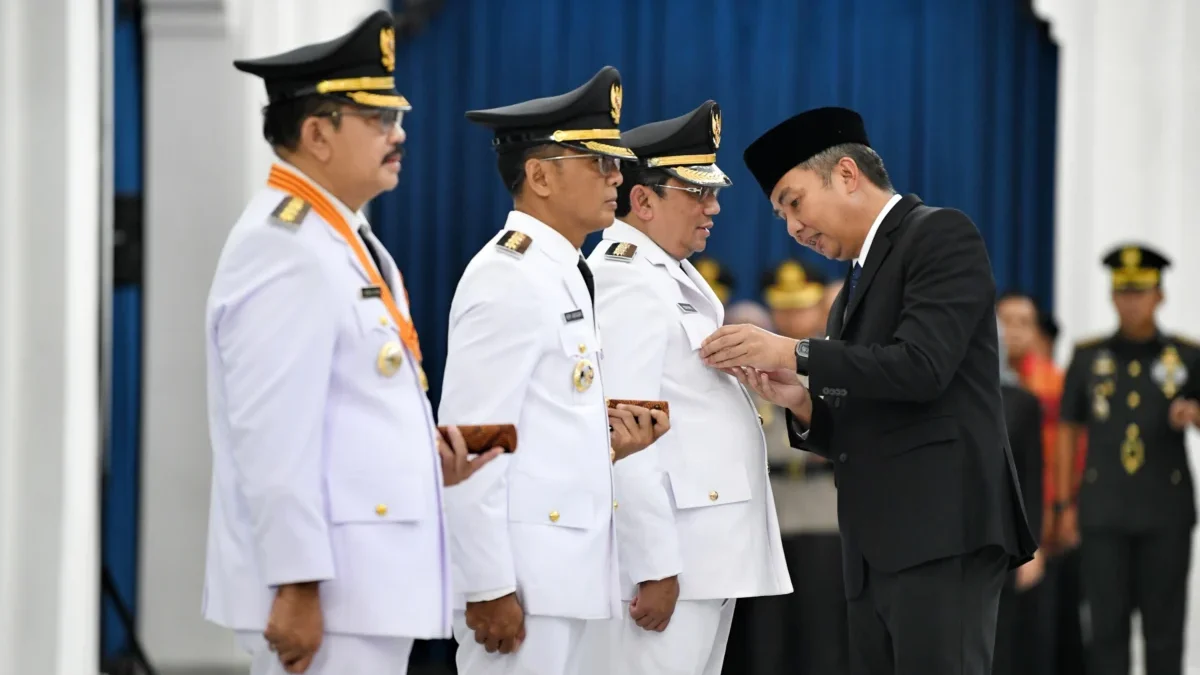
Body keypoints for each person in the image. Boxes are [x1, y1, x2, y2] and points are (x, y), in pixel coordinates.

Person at [202, 11, 502, 675]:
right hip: (327, 592)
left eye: (397, 118)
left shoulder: (343, 238)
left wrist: (428, 462)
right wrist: (298, 582)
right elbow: (272, 433)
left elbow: (348, 413)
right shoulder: (284, 248)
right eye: (377, 120)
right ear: (316, 133)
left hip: (365, 583)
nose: (399, 135)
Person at [700, 106, 1037, 675]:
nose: (793, 228)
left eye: (794, 202)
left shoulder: (939, 234)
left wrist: (793, 350)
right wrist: (800, 400)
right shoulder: (849, 292)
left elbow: (922, 368)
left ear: (848, 175)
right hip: (872, 546)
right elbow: (868, 421)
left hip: (940, 533)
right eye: (783, 214)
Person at [438, 66, 669, 675]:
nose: (617, 175)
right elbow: (474, 439)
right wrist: (487, 584)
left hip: (570, 574)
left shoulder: (563, 268)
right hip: (524, 582)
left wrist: (609, 440)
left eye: (615, 163)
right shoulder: (507, 276)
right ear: (538, 175)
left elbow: (546, 420)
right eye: (598, 163)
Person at [584, 100, 792, 675]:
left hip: (701, 553)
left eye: (714, 192)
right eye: (696, 193)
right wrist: (653, 565)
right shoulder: (626, 279)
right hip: (669, 556)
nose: (714, 207)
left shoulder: (668, 274)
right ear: (643, 200)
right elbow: (626, 430)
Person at [1054, 244, 1200, 675]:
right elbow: (1067, 430)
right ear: (1112, 296)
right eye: (1123, 292)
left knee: (1165, 632)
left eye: (1140, 292)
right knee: (1106, 632)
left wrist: (1193, 412)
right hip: (1103, 511)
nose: (1130, 301)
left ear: (1160, 296)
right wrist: (1063, 504)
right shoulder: (1087, 357)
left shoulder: (1188, 356)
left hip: (1166, 515)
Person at [992, 323, 1049, 675]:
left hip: (1003, 538)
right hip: (948, 538)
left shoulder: (1021, 402)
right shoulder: (937, 400)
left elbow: (1031, 478)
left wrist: (1033, 546)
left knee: (1003, 639)